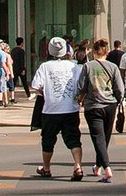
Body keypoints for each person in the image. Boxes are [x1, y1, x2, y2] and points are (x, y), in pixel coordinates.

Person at [31, 35, 85, 180]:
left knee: (48, 139)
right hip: (70, 108)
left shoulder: (45, 66)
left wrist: (47, 92)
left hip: (51, 109)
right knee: (74, 138)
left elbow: (36, 86)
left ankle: (46, 167)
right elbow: (82, 85)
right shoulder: (75, 66)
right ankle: (77, 166)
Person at [78, 37, 125, 182]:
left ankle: (107, 168)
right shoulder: (113, 67)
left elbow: (81, 86)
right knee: (105, 137)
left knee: (98, 138)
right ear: (107, 51)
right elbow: (120, 89)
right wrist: (118, 100)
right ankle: (98, 166)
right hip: (110, 105)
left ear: (94, 51)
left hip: (93, 106)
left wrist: (80, 99)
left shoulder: (88, 66)